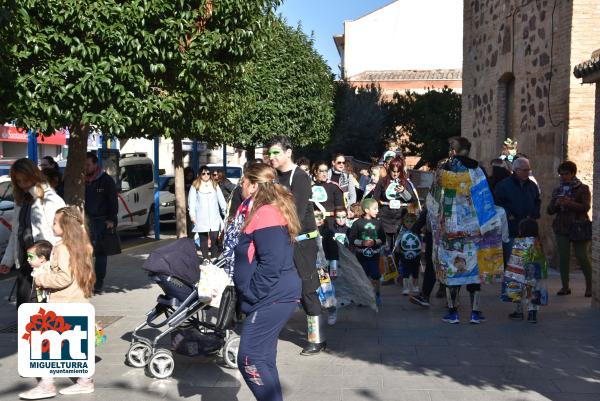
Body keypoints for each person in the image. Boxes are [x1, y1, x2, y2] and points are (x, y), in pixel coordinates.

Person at [232, 163, 302, 401]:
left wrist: (252, 294)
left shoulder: (266, 213)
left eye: (243, 181)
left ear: (253, 185)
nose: (240, 185)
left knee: (249, 358)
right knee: (263, 358)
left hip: (271, 296)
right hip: (272, 295)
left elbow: (272, 263)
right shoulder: (260, 210)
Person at [18, 206, 96, 399]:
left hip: (62, 304)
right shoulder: (82, 245)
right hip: (76, 302)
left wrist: (41, 279)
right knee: (72, 345)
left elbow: (63, 278)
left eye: (55, 222)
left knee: (44, 344)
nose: (52, 225)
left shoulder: (62, 248)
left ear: (66, 226)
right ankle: (85, 382)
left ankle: (46, 386)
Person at [429, 137, 501, 325]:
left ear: (453, 150)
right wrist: (488, 227)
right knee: (473, 271)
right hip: (474, 230)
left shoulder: (443, 172)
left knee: (452, 270)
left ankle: (453, 313)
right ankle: (475, 313)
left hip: (450, 231)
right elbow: (485, 199)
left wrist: (435, 224)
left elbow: (434, 200)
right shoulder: (477, 171)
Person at [267, 136, 324, 355]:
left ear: (288, 153)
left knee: (307, 289)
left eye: (276, 153)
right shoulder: (271, 177)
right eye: (269, 153)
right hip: (279, 240)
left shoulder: (299, 177)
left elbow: (296, 214)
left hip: (302, 242)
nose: (272, 157)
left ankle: (316, 339)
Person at [0, 159, 65, 307]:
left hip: (45, 264)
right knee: (24, 306)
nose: (23, 184)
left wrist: (55, 262)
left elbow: (61, 234)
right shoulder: (22, 200)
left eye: (26, 180)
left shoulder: (50, 199)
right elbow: (16, 233)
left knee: (44, 307)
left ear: (34, 176)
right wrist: (7, 260)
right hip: (26, 262)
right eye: (19, 181)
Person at [547, 161, 592, 297]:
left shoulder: (582, 188)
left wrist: (569, 203)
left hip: (578, 226)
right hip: (561, 226)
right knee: (563, 257)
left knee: (581, 255)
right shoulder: (557, 190)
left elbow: (585, 207)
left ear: (573, 173)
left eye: (566, 174)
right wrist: (556, 204)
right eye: (561, 174)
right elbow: (549, 210)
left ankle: (590, 286)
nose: (563, 176)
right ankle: (565, 287)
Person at [494, 157, 541, 267]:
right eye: (524, 170)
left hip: (528, 230)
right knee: (512, 263)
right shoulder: (503, 185)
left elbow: (537, 201)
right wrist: (508, 214)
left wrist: (534, 214)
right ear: (516, 170)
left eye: (528, 170)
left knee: (528, 263)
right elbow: (498, 203)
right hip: (511, 229)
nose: (527, 173)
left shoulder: (532, 186)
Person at [84, 152, 118, 294]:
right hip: (85, 221)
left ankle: (98, 283)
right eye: (84, 165)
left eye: (88, 165)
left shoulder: (106, 180)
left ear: (95, 164)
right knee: (84, 253)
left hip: (101, 221)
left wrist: (111, 220)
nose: (85, 168)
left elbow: (113, 201)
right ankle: (85, 280)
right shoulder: (81, 180)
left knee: (100, 254)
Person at [373, 156, 419, 253]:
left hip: (401, 219)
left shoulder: (405, 182)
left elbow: (413, 200)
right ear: (389, 169)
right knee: (385, 248)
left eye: (398, 172)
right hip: (385, 218)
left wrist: (404, 192)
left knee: (398, 249)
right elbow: (375, 199)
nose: (395, 174)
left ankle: (397, 266)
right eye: (393, 171)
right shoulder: (382, 181)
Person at [506, 219, 547, 323]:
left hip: (521, 273)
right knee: (533, 292)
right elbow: (542, 260)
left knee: (518, 291)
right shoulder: (537, 242)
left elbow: (515, 259)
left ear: (521, 230)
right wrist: (543, 273)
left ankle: (519, 312)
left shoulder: (519, 242)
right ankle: (532, 314)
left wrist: (509, 273)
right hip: (536, 273)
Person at [348, 198, 386, 306]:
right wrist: (362, 243)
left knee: (376, 276)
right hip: (361, 256)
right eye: (374, 209)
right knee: (362, 277)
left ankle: (377, 294)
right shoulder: (357, 224)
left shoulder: (378, 223)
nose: (377, 211)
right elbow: (352, 239)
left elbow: (383, 239)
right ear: (366, 210)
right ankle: (362, 296)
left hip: (374, 256)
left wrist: (373, 241)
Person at [188, 165, 227, 260]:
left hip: (214, 217)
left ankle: (213, 258)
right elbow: (191, 202)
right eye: (203, 173)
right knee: (203, 239)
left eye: (208, 173)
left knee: (214, 238)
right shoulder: (195, 185)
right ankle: (206, 258)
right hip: (201, 218)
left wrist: (225, 212)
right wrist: (192, 215)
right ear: (200, 174)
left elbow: (221, 199)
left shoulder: (214, 184)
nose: (206, 175)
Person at [409, 207, 436, 307]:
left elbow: (426, 212)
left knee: (431, 266)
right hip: (449, 235)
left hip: (435, 235)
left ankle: (425, 296)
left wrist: (414, 229)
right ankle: (452, 300)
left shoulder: (435, 194)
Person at [311, 161, 345, 227]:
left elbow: (340, 207)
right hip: (313, 223)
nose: (324, 174)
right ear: (315, 171)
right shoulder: (309, 186)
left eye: (326, 171)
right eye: (321, 171)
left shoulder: (334, 186)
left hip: (330, 222)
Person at [395, 212, 421, 296]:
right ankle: (405, 288)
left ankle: (415, 286)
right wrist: (397, 248)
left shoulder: (418, 231)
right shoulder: (402, 231)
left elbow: (421, 241)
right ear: (404, 222)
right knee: (405, 271)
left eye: (411, 221)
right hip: (404, 254)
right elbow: (398, 241)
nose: (409, 223)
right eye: (407, 221)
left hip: (416, 255)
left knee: (415, 271)